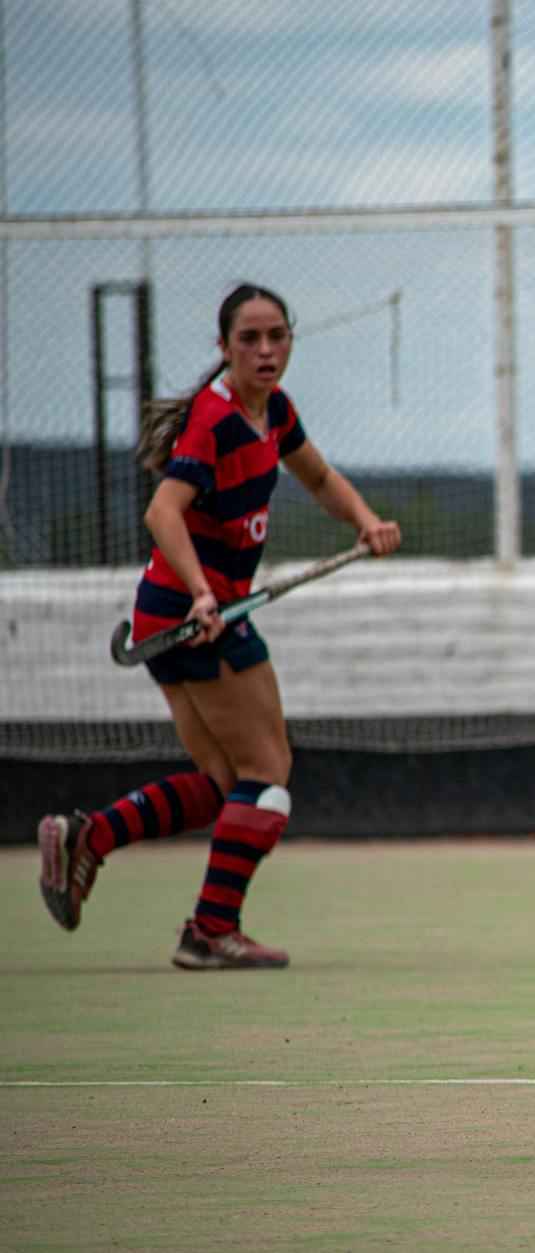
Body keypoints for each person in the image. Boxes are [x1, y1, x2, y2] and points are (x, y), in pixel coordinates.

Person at [35, 283, 402, 969]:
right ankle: (210, 929)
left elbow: (319, 478)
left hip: (181, 613)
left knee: (220, 780)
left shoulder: (274, 411)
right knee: (267, 774)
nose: (265, 350)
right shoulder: (215, 420)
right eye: (249, 339)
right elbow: (162, 512)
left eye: (277, 336)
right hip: (195, 617)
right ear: (224, 347)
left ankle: (91, 836)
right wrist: (203, 594)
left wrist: (365, 521)